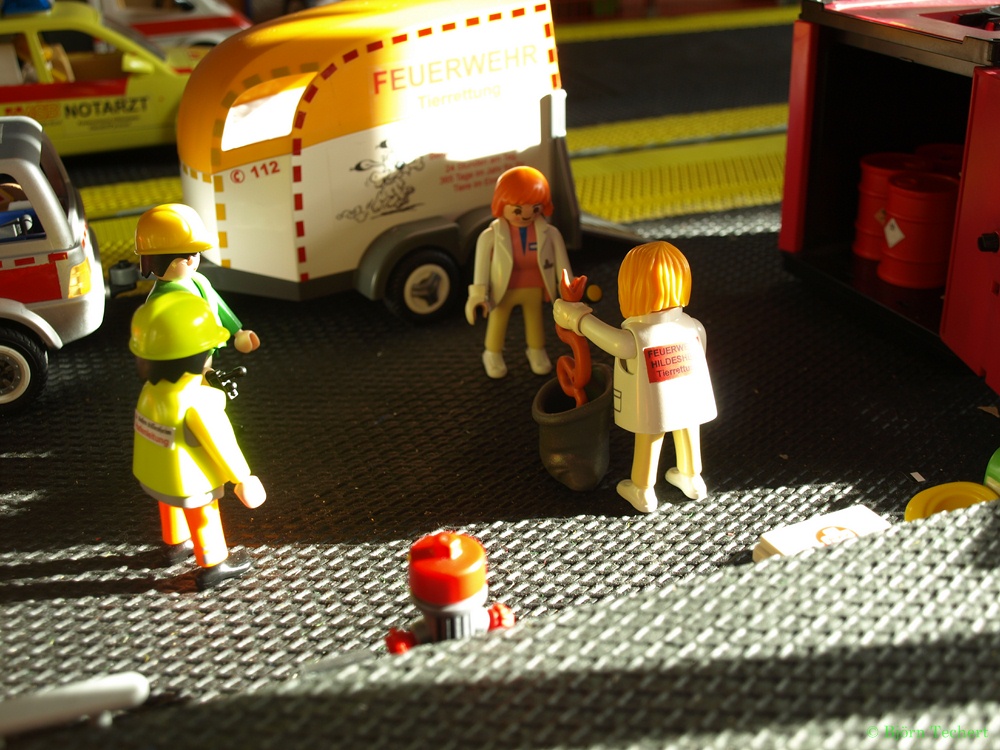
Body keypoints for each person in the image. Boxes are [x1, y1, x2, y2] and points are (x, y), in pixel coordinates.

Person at [553, 241, 717, 513]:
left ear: (632, 289)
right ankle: (692, 477)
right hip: (689, 392)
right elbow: (702, 356)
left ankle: (642, 489)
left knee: (650, 437)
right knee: (689, 428)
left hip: (655, 402)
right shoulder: (694, 326)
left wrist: (577, 318)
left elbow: (609, 340)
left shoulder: (637, 337)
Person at [130, 292, 266, 590]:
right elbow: (222, 444)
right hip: (192, 480)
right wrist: (242, 478)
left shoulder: (149, 393)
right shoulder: (198, 402)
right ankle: (215, 563)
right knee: (204, 515)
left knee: (170, 507)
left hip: (157, 475)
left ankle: (176, 544)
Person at [466, 166, 571, 379]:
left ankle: (536, 351)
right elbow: (481, 268)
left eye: (535, 208)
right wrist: (477, 295)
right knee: (498, 320)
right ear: (501, 205)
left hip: (534, 287)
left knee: (535, 320)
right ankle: (492, 353)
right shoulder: (490, 236)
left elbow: (563, 266)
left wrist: (569, 288)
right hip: (503, 288)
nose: (526, 215)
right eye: (517, 210)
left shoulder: (550, 234)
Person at [135, 203, 259, 356]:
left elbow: (217, 305)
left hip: (207, 346)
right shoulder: (162, 298)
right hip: (187, 356)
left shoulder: (198, 280)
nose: (192, 260)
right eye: (190, 254)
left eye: (196, 253)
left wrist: (238, 332)